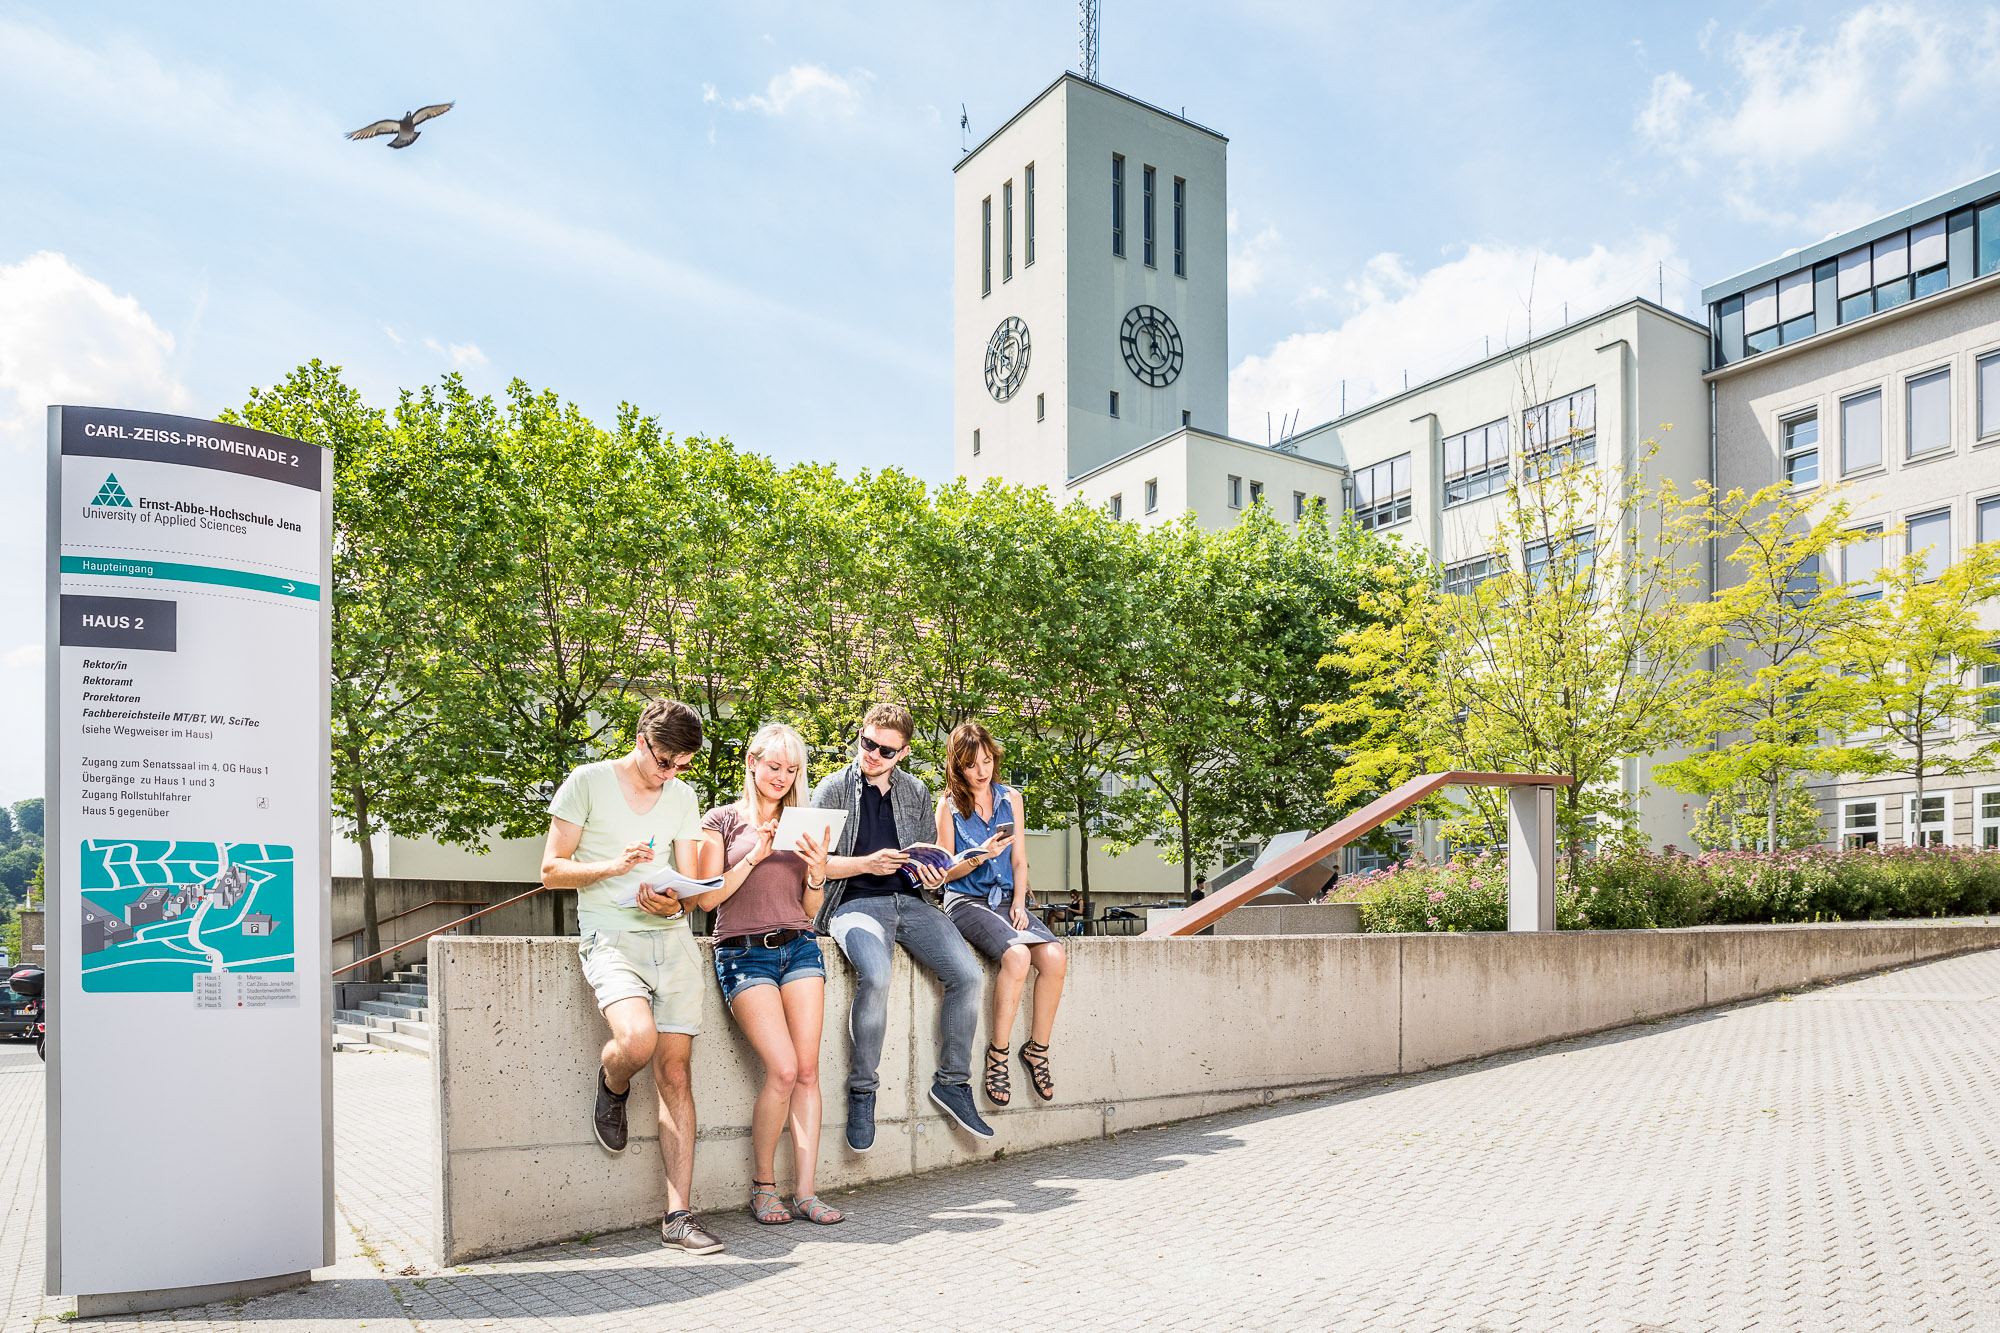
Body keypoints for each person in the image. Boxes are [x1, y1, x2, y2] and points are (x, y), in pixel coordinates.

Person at [539, 698, 723, 1256]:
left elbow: (688, 891)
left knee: (676, 1072)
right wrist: (614, 867)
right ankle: (613, 1080)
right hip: (609, 937)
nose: (672, 773)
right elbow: (551, 871)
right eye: (665, 760)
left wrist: (670, 906)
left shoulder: (683, 796)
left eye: (682, 765)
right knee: (636, 1042)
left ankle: (678, 1217)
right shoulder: (586, 782)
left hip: (669, 941)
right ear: (641, 739)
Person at [812, 702, 992, 1150]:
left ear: (904, 752)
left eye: (885, 751)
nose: (872, 754)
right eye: (867, 743)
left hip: (911, 902)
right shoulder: (831, 789)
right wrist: (866, 865)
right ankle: (862, 1090)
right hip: (853, 902)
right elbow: (812, 866)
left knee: (968, 976)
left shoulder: (915, 792)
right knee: (875, 975)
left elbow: (925, 856)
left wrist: (931, 873)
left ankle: (952, 1082)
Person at [689, 723, 844, 1227]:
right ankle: (763, 1187)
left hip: (799, 948)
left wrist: (818, 872)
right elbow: (707, 899)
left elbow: (809, 906)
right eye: (774, 766)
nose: (782, 776)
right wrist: (757, 852)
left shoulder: (804, 821)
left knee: (807, 1071)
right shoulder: (722, 820)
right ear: (751, 762)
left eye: (792, 769)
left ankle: (805, 1192)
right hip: (742, 953)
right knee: (780, 1070)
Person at [931, 722, 1066, 1107]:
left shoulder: (1011, 798)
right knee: (1018, 955)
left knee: (1055, 958)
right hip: (966, 901)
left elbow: (1021, 860)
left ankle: (1037, 1050)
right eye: (972, 764)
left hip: (1009, 899)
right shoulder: (949, 805)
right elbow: (945, 871)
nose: (982, 771)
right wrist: (981, 856)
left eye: (987, 761)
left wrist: (1021, 902)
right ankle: (998, 1056)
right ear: (958, 766)